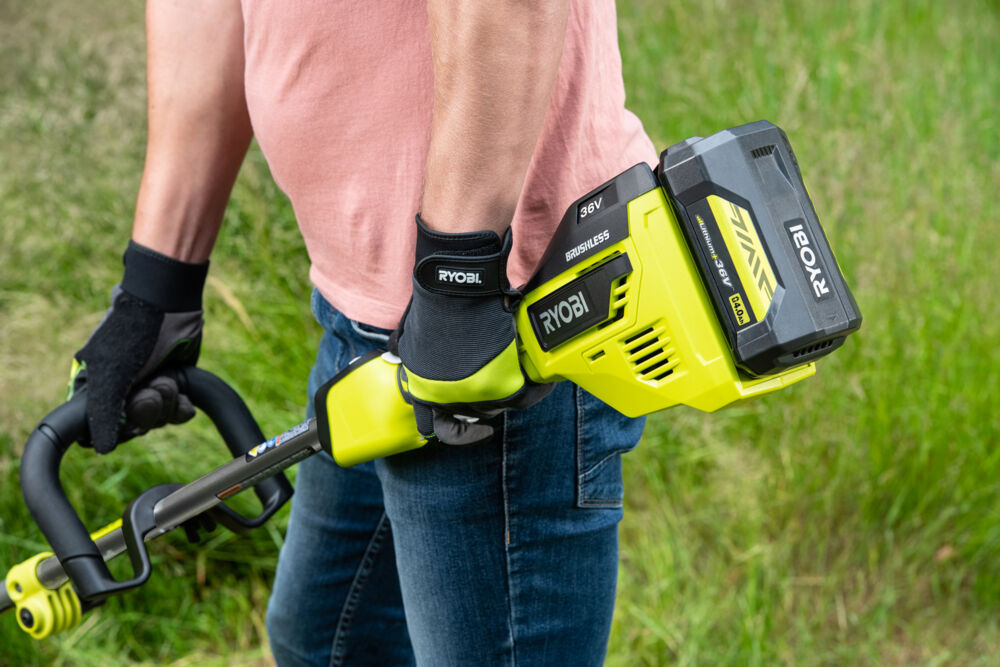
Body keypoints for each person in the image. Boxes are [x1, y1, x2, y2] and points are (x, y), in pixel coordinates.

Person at [71, 1, 656, 664]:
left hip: (497, 325)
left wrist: (460, 276)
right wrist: (158, 286)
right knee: (328, 643)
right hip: (366, 316)